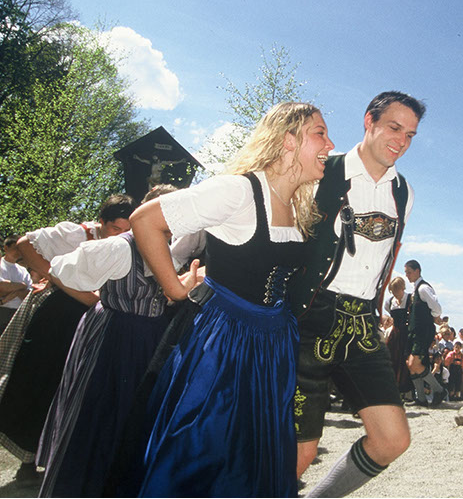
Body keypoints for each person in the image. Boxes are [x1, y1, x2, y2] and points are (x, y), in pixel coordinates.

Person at [128, 102, 334, 497]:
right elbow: (145, 220)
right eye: (320, 133)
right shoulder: (238, 190)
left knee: (252, 457)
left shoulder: (297, 204)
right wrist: (174, 288)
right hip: (223, 344)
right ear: (288, 140)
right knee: (206, 450)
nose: (329, 144)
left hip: (273, 344)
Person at [287, 91, 425, 498]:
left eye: (410, 134)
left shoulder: (404, 192)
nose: (401, 141)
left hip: (362, 323)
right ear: (369, 121)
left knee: (392, 439)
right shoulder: (321, 170)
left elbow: (385, 258)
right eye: (394, 128)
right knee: (300, 453)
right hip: (310, 316)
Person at [35, 185, 203, 497]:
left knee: (129, 417)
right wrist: (96, 300)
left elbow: (159, 296)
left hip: (149, 338)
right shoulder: (119, 246)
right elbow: (60, 269)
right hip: (114, 336)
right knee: (98, 413)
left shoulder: (165, 248)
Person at [0, 194, 135, 481]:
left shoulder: (128, 245)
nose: (120, 235)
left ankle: (50, 456)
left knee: (68, 386)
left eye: (126, 230)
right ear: (102, 222)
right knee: (38, 380)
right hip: (58, 317)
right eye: (115, 228)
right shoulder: (78, 234)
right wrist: (58, 278)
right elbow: (25, 243)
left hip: (91, 320)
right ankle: (27, 458)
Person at [404, 259, 446, 406]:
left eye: (409, 272)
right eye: (406, 273)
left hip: (423, 331)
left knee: (415, 364)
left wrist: (433, 317)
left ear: (417, 271)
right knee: (410, 364)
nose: (407, 275)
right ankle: (421, 399)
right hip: (415, 331)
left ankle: (439, 390)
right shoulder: (415, 289)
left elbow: (437, 308)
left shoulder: (423, 288)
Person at [383, 276, 413, 400]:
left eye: (396, 290)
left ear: (402, 288)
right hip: (395, 334)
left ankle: (408, 391)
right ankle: (394, 390)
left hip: (406, 334)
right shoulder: (390, 302)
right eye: (392, 291)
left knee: (405, 361)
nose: (394, 293)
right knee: (393, 360)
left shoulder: (410, 299)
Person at [0, 236, 32, 332]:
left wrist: (15, 292)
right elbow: (2, 287)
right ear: (6, 248)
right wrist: (22, 286)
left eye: (20, 249)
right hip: (3, 310)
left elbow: (30, 293)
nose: (18, 252)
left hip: (19, 311)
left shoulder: (23, 270)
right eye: (15, 248)